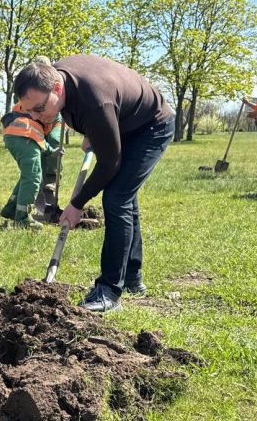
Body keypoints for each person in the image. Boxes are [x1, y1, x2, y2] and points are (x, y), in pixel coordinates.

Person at [14, 56, 174, 313]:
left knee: (116, 198)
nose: (36, 116)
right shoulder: (58, 80)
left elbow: (110, 164)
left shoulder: (95, 102)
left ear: (56, 88)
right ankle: (132, 277)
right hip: (122, 121)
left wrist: (76, 204)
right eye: (28, 110)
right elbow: (95, 110)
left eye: (39, 108)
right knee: (125, 198)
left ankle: (109, 291)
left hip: (151, 127)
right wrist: (94, 132)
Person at [0, 101, 62, 229]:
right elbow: (53, 138)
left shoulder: (32, 100)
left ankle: (11, 208)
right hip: (26, 136)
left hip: (12, 135)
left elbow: (42, 140)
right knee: (33, 178)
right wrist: (54, 151)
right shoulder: (54, 112)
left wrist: (52, 151)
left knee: (27, 176)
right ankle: (22, 218)